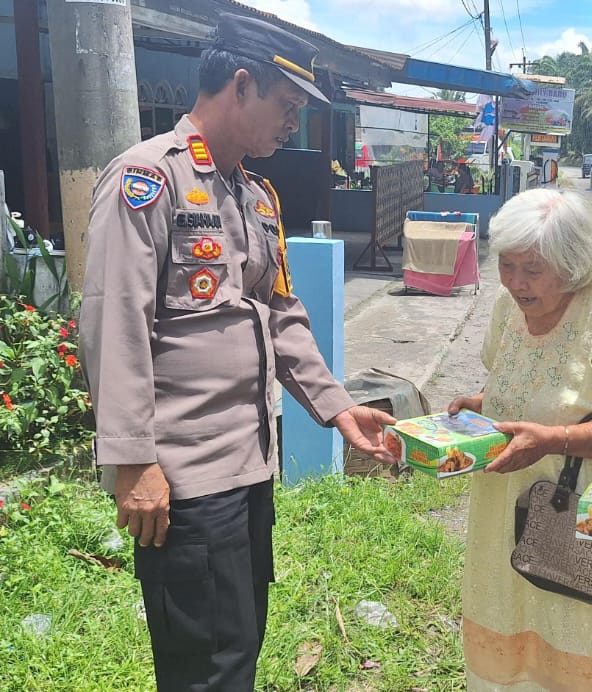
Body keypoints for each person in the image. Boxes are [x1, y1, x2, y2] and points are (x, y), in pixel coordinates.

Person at [78, 14, 396, 690]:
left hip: (247, 467)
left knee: (240, 642)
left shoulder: (254, 197)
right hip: (186, 477)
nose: (293, 125)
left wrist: (338, 409)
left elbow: (280, 313)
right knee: (205, 664)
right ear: (241, 84)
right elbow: (115, 320)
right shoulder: (148, 180)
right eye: (287, 108)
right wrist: (133, 464)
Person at [446, 187, 592, 690]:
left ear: (572, 263)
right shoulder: (506, 306)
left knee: (583, 635)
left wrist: (553, 439)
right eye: (507, 266)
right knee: (516, 627)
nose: (516, 282)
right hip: (508, 510)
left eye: (532, 270)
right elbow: (519, 386)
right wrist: (480, 406)